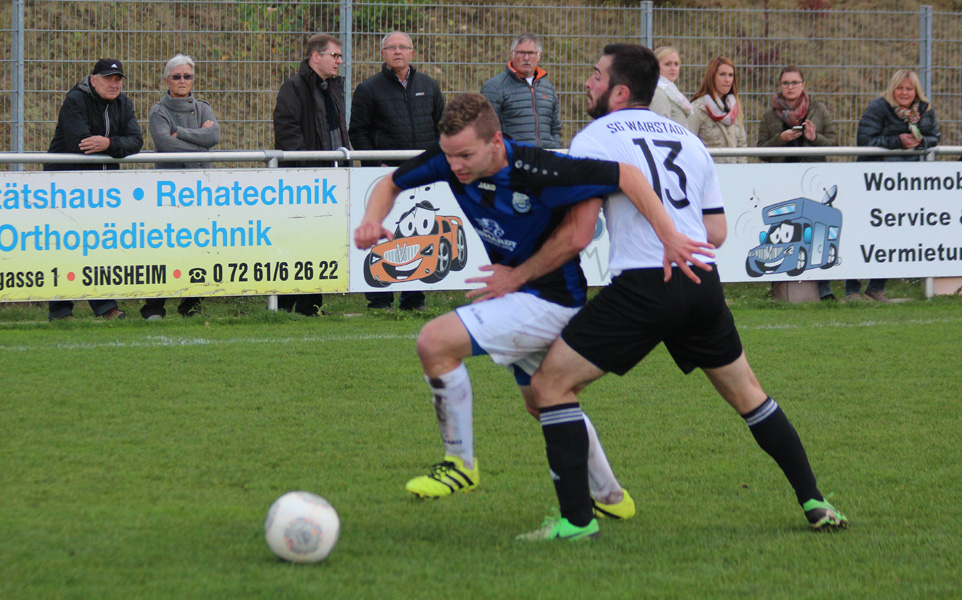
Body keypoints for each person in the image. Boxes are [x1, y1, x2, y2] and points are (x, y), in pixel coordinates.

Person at [518, 44, 848, 541]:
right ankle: (815, 499)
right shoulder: (687, 138)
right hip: (701, 282)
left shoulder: (594, 137)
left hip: (646, 284)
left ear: (619, 90)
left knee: (548, 387)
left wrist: (517, 274)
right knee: (750, 396)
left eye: (595, 75)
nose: (588, 83)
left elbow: (579, 234)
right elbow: (715, 232)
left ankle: (576, 521)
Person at [354, 93, 712, 517]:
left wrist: (669, 235)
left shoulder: (543, 170)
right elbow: (392, 182)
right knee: (543, 401)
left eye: (466, 155)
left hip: (553, 300)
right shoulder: (450, 157)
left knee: (434, 341)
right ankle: (612, 498)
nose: (455, 167)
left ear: (496, 142)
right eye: (449, 156)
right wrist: (372, 220)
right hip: (521, 297)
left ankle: (459, 465)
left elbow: (630, 177)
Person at [349, 31, 445, 312]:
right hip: (385, 178)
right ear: (383, 54)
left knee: (418, 235)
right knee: (385, 235)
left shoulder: (429, 85)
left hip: (422, 175)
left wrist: (435, 161)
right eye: (392, 48)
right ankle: (379, 300)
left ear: (412, 53)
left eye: (403, 47)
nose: (398, 52)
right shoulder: (369, 89)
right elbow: (358, 130)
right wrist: (374, 164)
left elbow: (442, 126)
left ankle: (414, 299)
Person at [45, 58, 143, 321]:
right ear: (93, 79)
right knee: (63, 245)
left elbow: (136, 141)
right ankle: (61, 310)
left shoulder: (124, 103)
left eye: (118, 79)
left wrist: (108, 143)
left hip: (102, 188)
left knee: (98, 246)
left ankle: (105, 306)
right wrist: (113, 145)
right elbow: (81, 144)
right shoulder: (75, 100)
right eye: (108, 79)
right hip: (66, 184)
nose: (114, 84)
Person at [272, 33, 350, 317]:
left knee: (318, 242)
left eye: (340, 57)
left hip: (328, 178)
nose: (339, 61)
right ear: (315, 56)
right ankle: (283, 305)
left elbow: (338, 130)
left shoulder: (332, 88)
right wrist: (306, 167)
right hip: (303, 180)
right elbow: (286, 129)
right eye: (335, 56)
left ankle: (310, 305)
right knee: (295, 242)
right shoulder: (294, 88)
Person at [848, 69, 940, 303]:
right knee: (862, 233)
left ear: (916, 90)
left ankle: (876, 287)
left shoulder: (925, 110)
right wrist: (896, 142)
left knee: (893, 234)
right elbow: (865, 141)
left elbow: (935, 137)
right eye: (900, 88)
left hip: (906, 184)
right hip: (873, 181)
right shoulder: (879, 107)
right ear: (892, 89)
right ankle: (852, 290)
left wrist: (922, 142)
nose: (904, 93)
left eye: (909, 88)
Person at [142, 54, 221, 320]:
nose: (182, 81)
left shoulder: (203, 107)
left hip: (199, 189)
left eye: (187, 76)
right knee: (163, 248)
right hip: (170, 191)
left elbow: (215, 136)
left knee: (199, 246)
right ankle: (153, 307)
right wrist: (200, 145)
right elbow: (165, 144)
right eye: (177, 76)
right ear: (167, 80)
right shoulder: (158, 111)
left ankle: (192, 305)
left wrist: (182, 133)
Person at [756, 66, 839, 301]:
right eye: (785, 83)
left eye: (794, 82)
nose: (790, 87)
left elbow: (834, 144)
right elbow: (761, 151)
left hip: (813, 179)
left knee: (818, 230)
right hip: (781, 180)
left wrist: (814, 138)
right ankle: (778, 284)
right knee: (780, 232)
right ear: (780, 86)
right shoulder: (770, 115)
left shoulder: (818, 110)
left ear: (803, 85)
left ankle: (824, 286)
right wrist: (779, 140)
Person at [480, 33, 561, 149]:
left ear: (539, 56)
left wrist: (554, 146)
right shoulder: (494, 88)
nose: (526, 58)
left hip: (545, 160)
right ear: (512, 55)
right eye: (521, 53)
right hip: (514, 161)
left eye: (531, 53)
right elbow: (487, 129)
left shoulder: (548, 88)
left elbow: (555, 127)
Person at [687, 56, 747, 164]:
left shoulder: (734, 109)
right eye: (722, 74)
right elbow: (689, 147)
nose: (727, 80)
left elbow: (741, 145)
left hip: (734, 175)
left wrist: (741, 172)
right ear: (712, 77)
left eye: (730, 75)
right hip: (708, 175)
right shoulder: (697, 109)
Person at [648, 47, 694, 128]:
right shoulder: (658, 93)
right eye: (668, 64)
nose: (673, 68)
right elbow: (660, 128)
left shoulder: (672, 92)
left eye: (676, 64)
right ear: (655, 66)